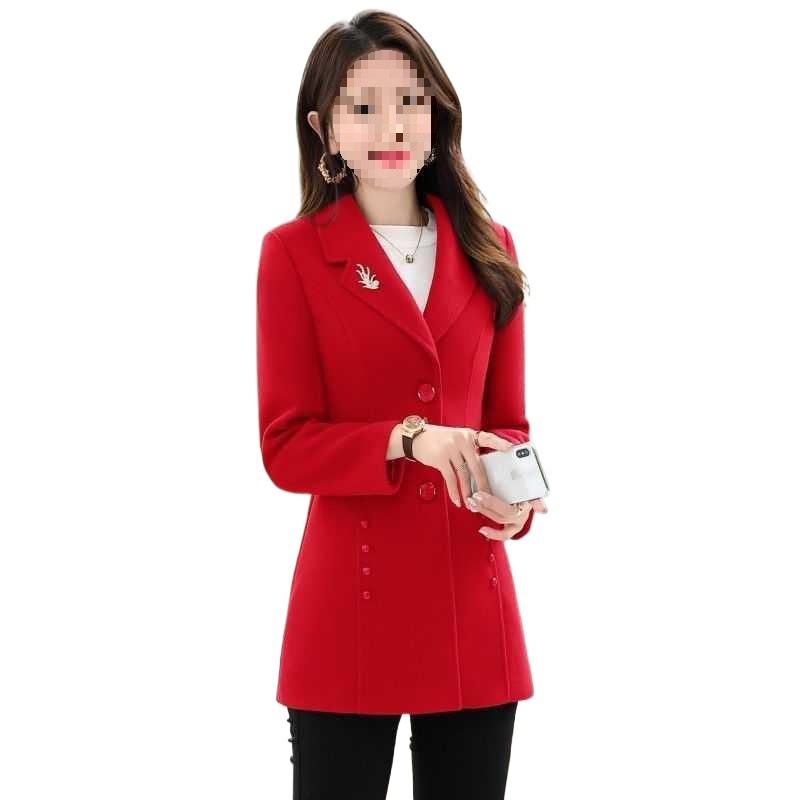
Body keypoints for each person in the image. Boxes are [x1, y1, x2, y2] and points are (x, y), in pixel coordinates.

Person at [256, 10, 548, 799]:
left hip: (471, 608)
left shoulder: (492, 246)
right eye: (362, 106)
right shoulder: (293, 254)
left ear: (437, 116)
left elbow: (510, 423)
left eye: (410, 101)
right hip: (346, 616)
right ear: (324, 129)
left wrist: (518, 500)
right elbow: (285, 445)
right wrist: (407, 438)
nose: (390, 125)